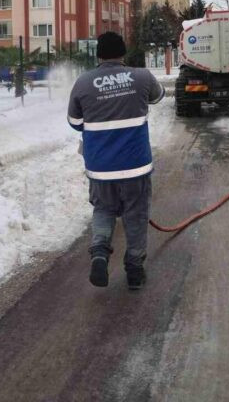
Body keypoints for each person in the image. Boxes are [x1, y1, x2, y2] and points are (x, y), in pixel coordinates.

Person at [68, 32, 165, 290]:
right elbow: (158, 96)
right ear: (123, 53)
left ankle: (100, 252)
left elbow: (75, 123)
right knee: (136, 214)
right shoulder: (141, 77)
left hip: (100, 168)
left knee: (103, 210)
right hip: (136, 166)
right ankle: (134, 270)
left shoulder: (83, 82)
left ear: (98, 54)